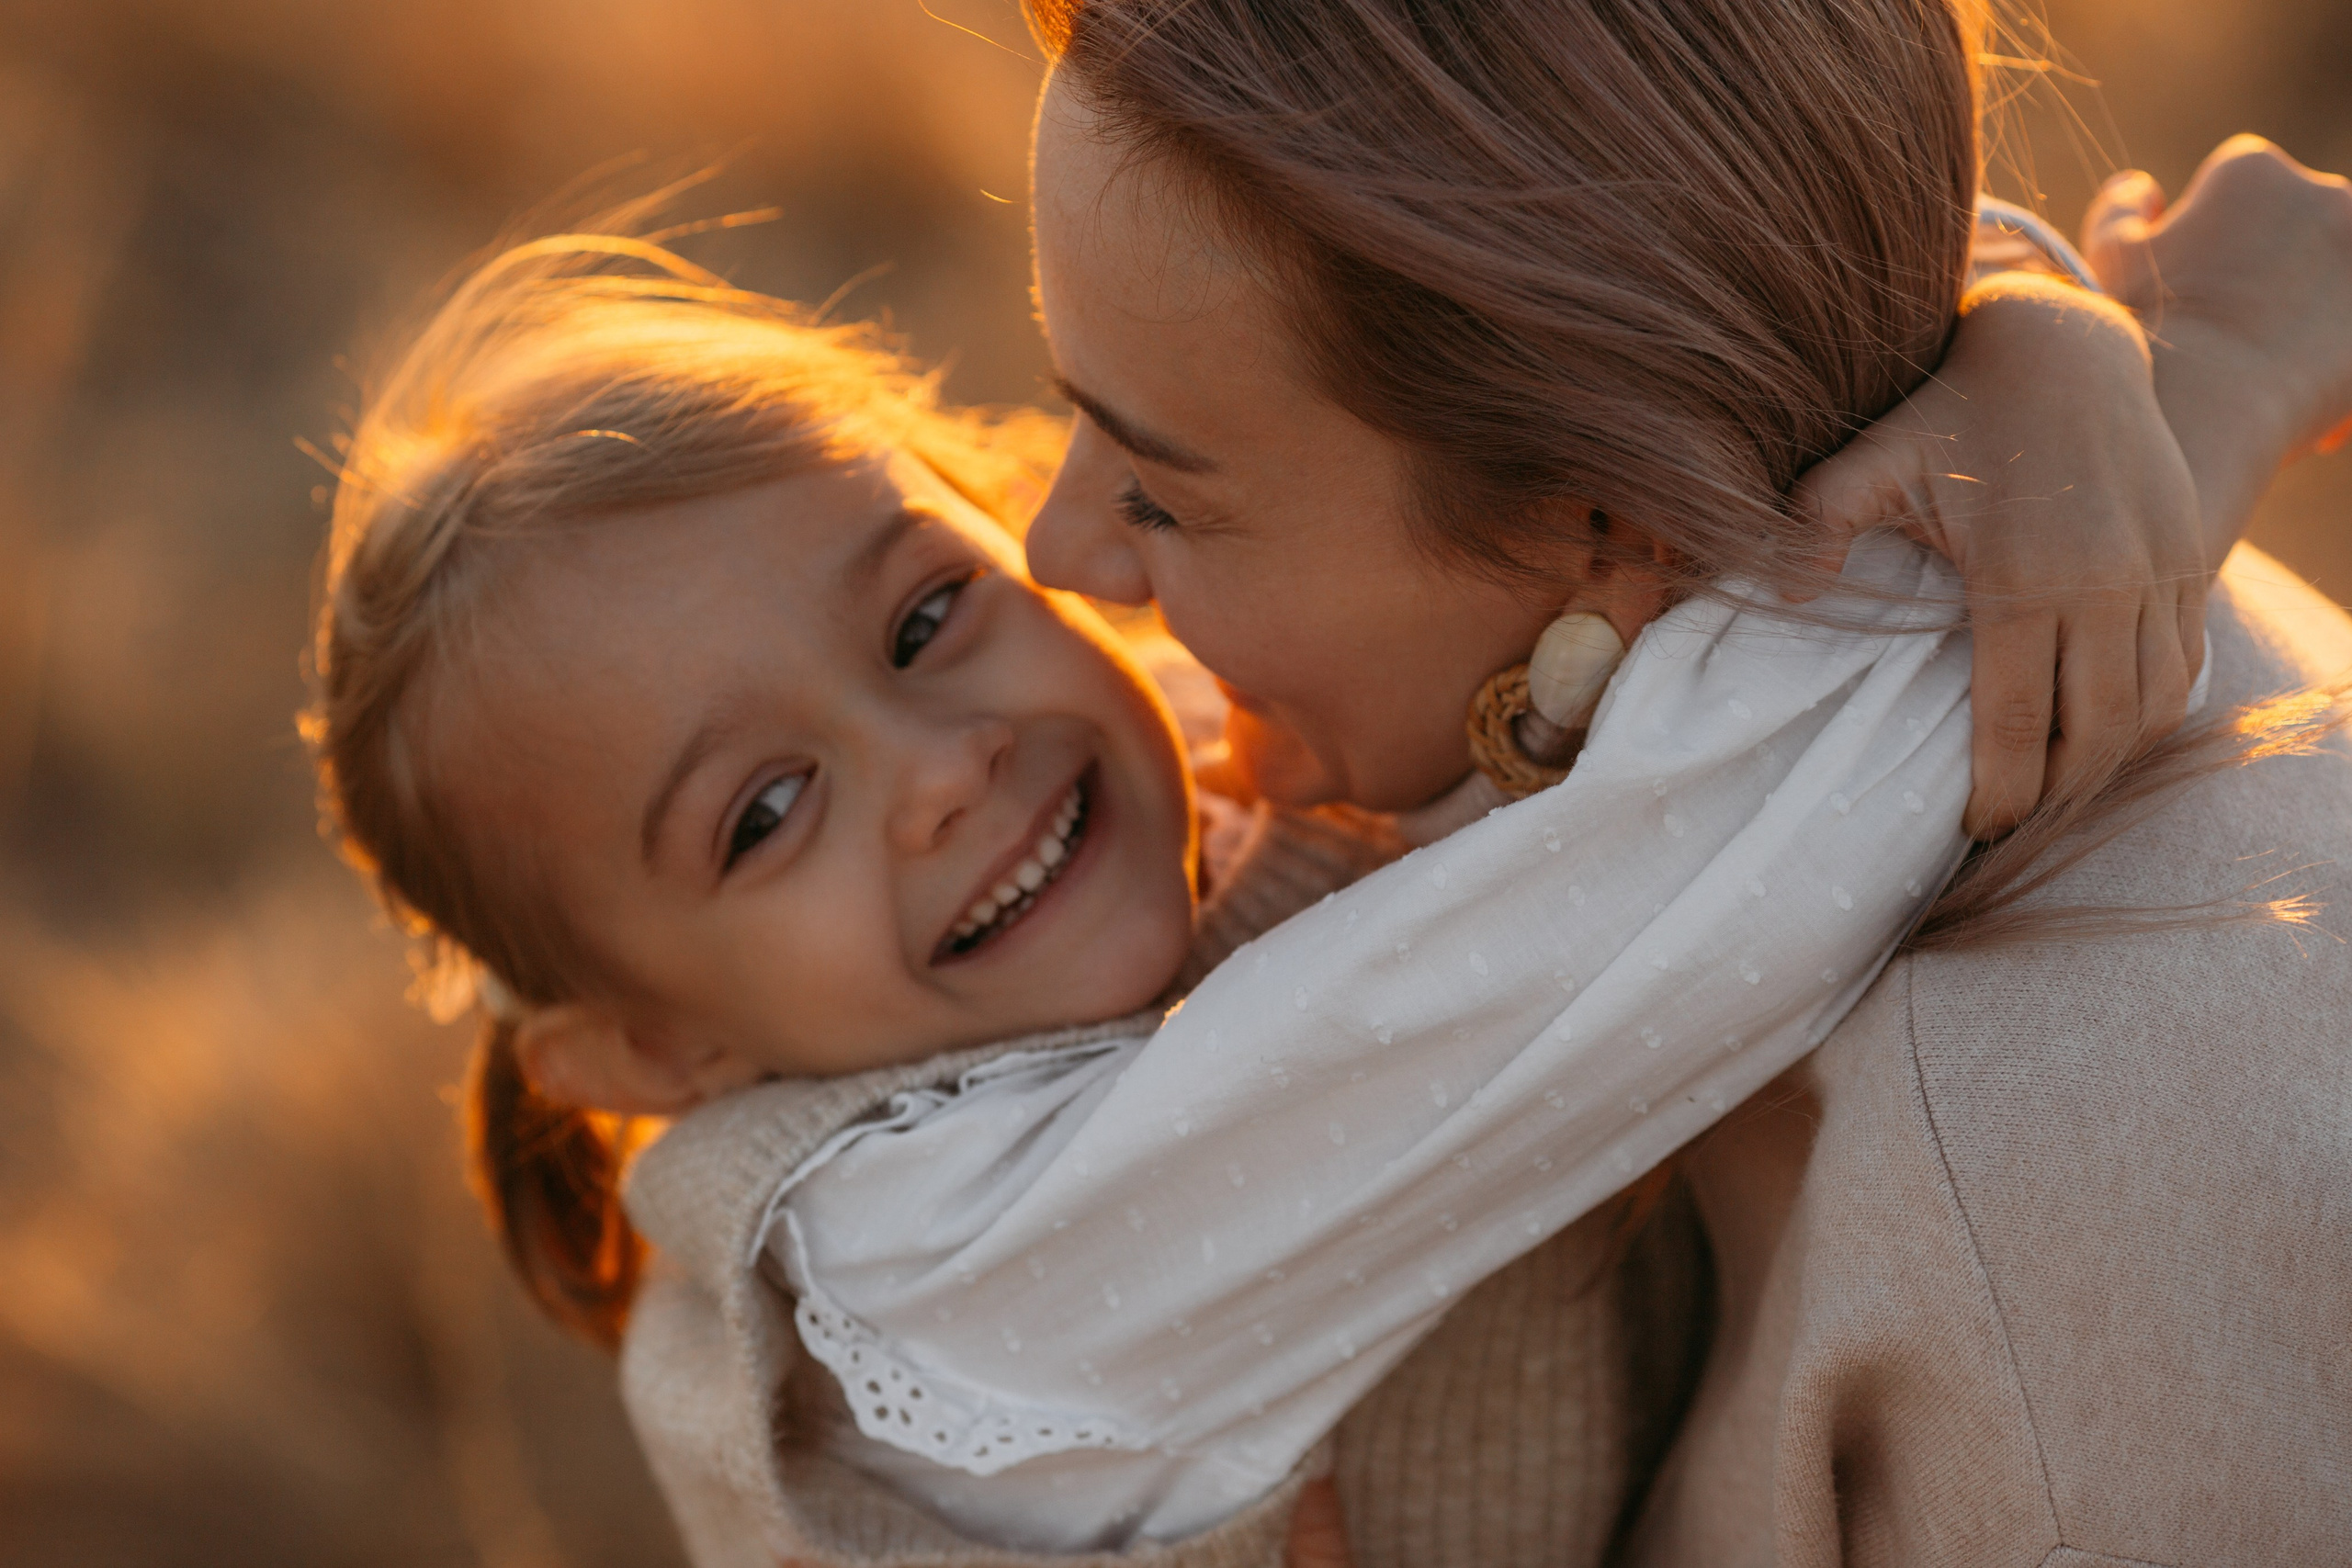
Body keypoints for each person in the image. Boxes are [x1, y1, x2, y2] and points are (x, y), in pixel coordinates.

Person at [1016, 0, 2352, 1562]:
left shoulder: (2053, 1238)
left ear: (1611, 525)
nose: (1056, 555)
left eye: (1161, 494)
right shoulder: (1873, 621)